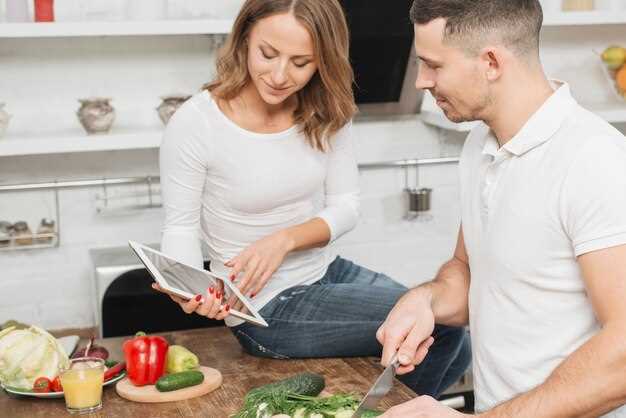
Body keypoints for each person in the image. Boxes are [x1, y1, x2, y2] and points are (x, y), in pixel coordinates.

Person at [155, 0, 470, 399]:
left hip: (326, 271)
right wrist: (192, 287)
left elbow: (347, 206)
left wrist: (283, 240)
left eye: (301, 62)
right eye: (267, 54)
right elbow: (179, 228)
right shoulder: (197, 122)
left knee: (452, 335)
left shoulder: (327, 109)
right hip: (264, 309)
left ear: (324, 59)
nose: (280, 75)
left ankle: (381, 409)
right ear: (245, 38)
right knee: (438, 325)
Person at [377, 0, 626, 417]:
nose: (421, 81)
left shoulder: (595, 160)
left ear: (491, 61)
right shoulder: (479, 145)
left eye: (433, 65)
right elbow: (468, 270)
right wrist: (425, 301)